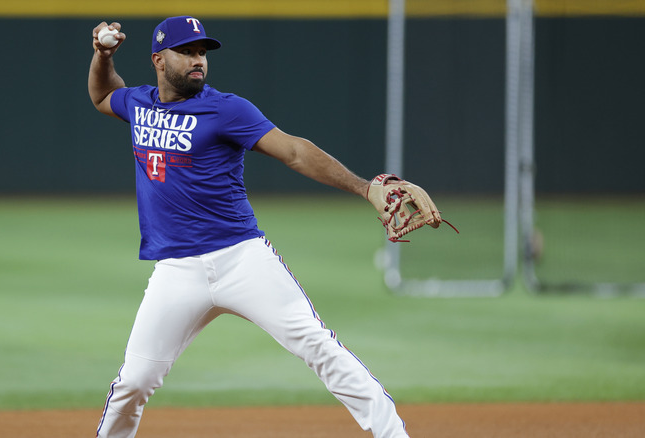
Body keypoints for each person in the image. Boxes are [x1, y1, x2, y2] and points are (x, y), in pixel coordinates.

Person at [88, 16, 421, 438]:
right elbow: (103, 94)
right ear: (159, 59)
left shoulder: (227, 108)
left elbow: (296, 152)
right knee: (133, 381)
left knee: (318, 346)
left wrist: (362, 187)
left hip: (242, 259)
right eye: (187, 51)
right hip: (176, 270)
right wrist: (102, 56)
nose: (198, 61)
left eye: (202, 53)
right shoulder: (139, 104)